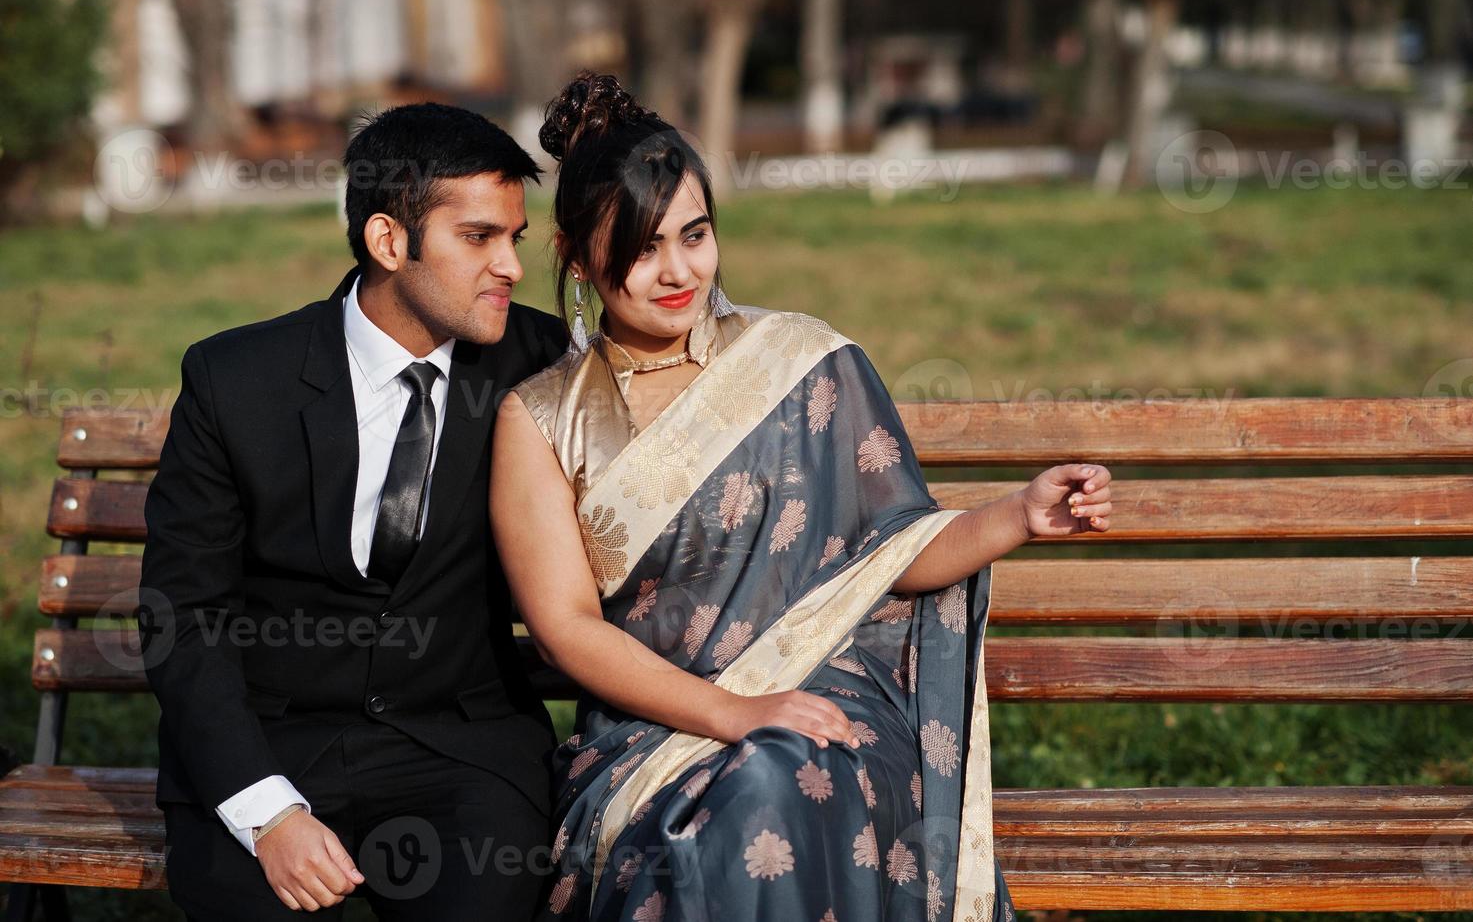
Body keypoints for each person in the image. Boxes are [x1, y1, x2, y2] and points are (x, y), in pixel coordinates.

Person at [491, 72, 1114, 922]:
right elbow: (566, 629)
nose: (677, 271)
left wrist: (1019, 515)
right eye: (640, 248)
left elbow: (891, 552)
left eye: (695, 235)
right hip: (655, 729)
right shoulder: (541, 420)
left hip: (829, 699)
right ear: (575, 256)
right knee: (741, 797)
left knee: (779, 774)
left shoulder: (799, 360)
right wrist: (731, 711)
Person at [141, 103, 566, 919]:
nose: (511, 265)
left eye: (515, 237)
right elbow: (182, 616)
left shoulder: (543, 365)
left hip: (461, 754)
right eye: (479, 238)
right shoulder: (236, 380)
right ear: (387, 241)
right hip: (270, 750)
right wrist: (268, 813)